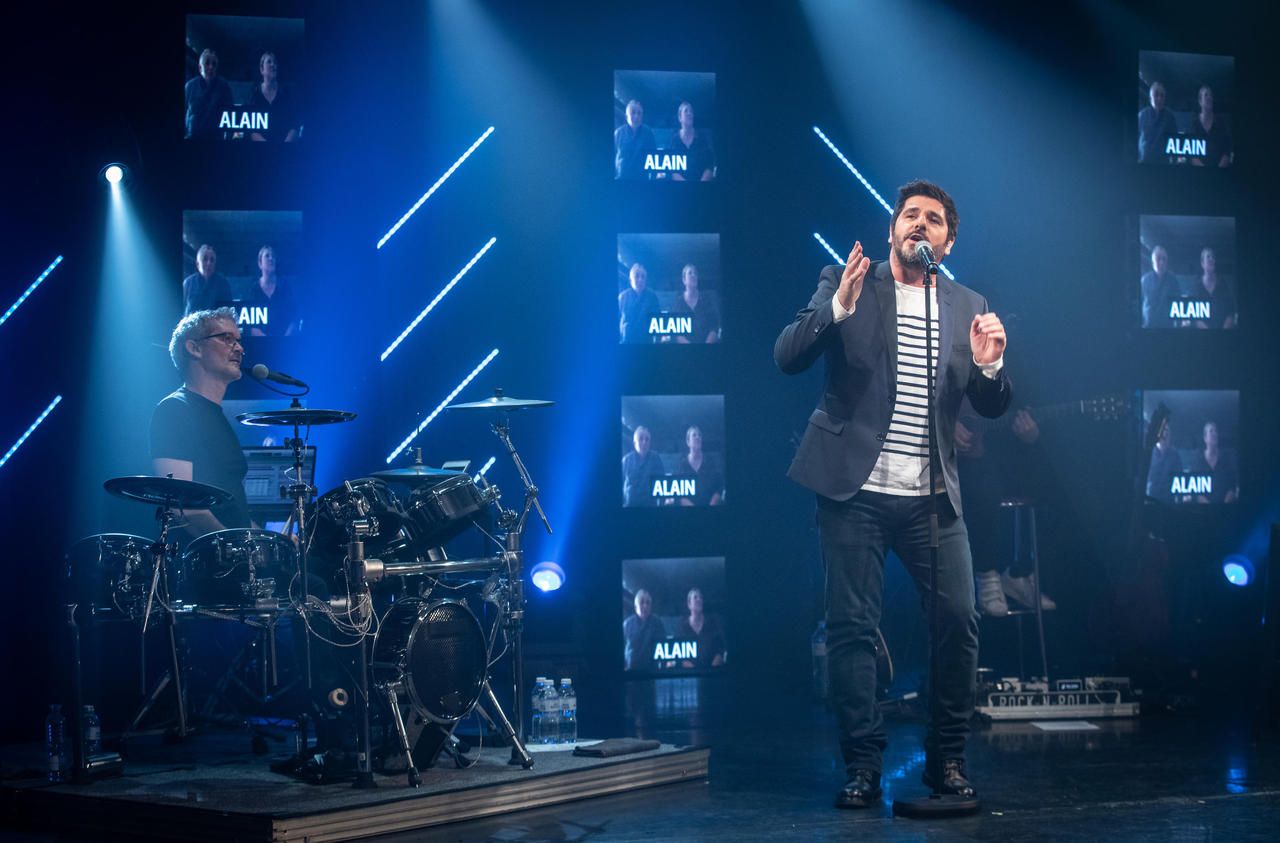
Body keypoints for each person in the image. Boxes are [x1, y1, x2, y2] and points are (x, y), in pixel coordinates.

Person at [775, 180, 1011, 808]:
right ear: (891, 231)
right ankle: (862, 766)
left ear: (948, 240)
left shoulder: (968, 304)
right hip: (854, 493)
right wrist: (838, 309)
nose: (920, 225)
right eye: (909, 216)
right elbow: (786, 356)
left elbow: (989, 406)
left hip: (933, 496)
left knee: (959, 622)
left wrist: (990, 368)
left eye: (933, 220)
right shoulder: (846, 279)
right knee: (853, 629)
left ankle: (948, 761)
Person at [151, 308, 251, 537]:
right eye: (227, 338)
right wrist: (241, 550)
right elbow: (182, 508)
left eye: (238, 340)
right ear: (194, 348)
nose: (239, 348)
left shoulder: (217, 416)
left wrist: (270, 540)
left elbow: (235, 516)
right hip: (208, 565)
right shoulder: (175, 410)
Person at [958, 406, 1057, 616]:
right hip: (959, 461)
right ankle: (986, 573)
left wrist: (1033, 434)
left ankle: (1020, 571)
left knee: (1051, 482)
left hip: (1003, 452)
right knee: (983, 483)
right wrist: (946, 424)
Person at [246, 245, 299, 336]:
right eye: (267, 256)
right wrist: (268, 342)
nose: (271, 259)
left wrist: (284, 341)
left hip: (285, 343)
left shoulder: (284, 287)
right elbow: (250, 325)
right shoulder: (254, 290)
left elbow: (294, 318)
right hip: (261, 344)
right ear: (260, 263)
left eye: (273, 256)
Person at [247, 52, 300, 143]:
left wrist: (284, 146)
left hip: (285, 149)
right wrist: (267, 146)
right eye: (269, 62)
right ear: (261, 69)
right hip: (260, 149)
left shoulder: (287, 94)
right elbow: (249, 127)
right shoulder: (254, 94)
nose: (273, 65)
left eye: (275, 62)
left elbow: (295, 124)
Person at [185, 49, 234, 139]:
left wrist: (228, 142)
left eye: (214, 64)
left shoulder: (224, 87)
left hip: (215, 141)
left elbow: (230, 115)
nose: (211, 67)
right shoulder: (190, 87)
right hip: (192, 140)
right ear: (200, 68)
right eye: (207, 63)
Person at [1189, 421, 1239, 504]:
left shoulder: (1226, 459)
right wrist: (1209, 506)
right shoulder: (1197, 461)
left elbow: (1232, 486)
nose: (1214, 433)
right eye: (1211, 431)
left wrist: (1223, 506)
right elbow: (1193, 490)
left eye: (1216, 431)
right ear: (1205, 438)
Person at [673, 425, 724, 506]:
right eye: (694, 435)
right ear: (688, 442)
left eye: (700, 435)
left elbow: (719, 488)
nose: (698, 437)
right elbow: (677, 493)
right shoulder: (682, 464)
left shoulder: (710, 462)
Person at [675, 588, 726, 667]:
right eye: (695, 597)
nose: (699, 599)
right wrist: (696, 671)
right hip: (690, 674)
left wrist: (712, 670)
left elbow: (720, 649)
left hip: (712, 673)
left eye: (701, 597)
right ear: (689, 604)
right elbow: (678, 654)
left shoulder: (712, 623)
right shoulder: (682, 627)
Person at [671, 264, 721, 344]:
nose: (693, 275)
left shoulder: (706, 300)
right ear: (684, 280)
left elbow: (714, 327)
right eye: (690, 273)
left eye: (695, 273)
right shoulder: (678, 303)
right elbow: (676, 332)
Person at [1190, 247, 1237, 330]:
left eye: (1213, 257)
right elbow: (1193, 315)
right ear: (1202, 263)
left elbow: (1230, 312)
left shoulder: (1222, 284)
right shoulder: (1196, 285)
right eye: (1208, 257)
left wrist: (1223, 332)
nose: (1212, 259)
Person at [668, 101, 715, 182]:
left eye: (691, 111)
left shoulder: (702, 138)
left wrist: (700, 186)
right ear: (680, 117)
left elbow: (710, 165)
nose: (689, 113)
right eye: (686, 111)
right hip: (680, 189)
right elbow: (670, 168)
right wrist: (687, 186)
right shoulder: (674, 140)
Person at [1188, 85, 1232, 169]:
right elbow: (1190, 154)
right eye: (1206, 95)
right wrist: (1205, 171)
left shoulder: (1221, 123)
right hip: (1199, 173)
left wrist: (1217, 171)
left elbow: (1227, 150)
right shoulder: (1194, 124)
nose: (1209, 97)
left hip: (1219, 173)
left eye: (1211, 95)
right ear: (1200, 101)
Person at [182, 244, 233, 316]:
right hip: (193, 326)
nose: (209, 263)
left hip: (216, 326)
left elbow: (229, 311)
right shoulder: (188, 284)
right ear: (197, 264)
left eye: (212, 260)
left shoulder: (223, 284)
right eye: (205, 259)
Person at [623, 589, 667, 670]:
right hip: (630, 673)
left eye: (648, 602)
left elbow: (664, 646)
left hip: (652, 672)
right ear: (636, 606)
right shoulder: (627, 625)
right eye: (642, 602)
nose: (645, 605)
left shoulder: (657, 623)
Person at [622, 426, 666, 507]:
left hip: (650, 508)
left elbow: (662, 483)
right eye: (641, 439)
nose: (644, 442)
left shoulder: (656, 458)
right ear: (634, 442)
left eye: (647, 439)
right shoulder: (626, 461)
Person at [1137, 80, 1178, 164]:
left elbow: (1174, 141)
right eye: (1156, 95)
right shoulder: (1142, 116)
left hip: (1163, 164)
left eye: (1162, 95)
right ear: (1150, 97)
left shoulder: (1170, 117)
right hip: (1144, 163)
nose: (1159, 98)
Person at [614, 99, 657, 180]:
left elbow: (654, 158)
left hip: (642, 181)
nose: (636, 116)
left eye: (639, 113)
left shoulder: (648, 133)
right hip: (621, 181)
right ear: (626, 116)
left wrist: (653, 182)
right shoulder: (618, 134)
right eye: (633, 112)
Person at [1145, 416, 1184, 503]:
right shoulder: (1150, 453)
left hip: (1170, 502)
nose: (1165, 433)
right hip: (1152, 501)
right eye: (1163, 430)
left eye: (1167, 430)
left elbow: (1180, 478)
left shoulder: (1175, 455)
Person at [618, 263, 660, 344]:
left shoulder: (652, 297)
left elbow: (657, 322)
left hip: (646, 343)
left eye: (643, 277)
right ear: (630, 280)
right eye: (636, 276)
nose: (640, 279)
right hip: (626, 344)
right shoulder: (622, 297)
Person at [1140, 246, 1179, 329]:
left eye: (1164, 259)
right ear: (1153, 261)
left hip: (1167, 328)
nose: (1161, 262)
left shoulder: (1173, 281)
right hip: (1148, 328)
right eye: (1158, 258)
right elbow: (1139, 303)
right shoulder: (1144, 281)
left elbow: (1177, 303)